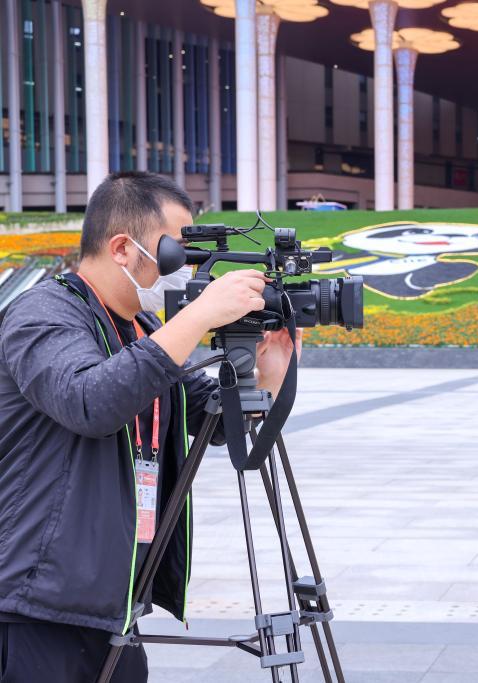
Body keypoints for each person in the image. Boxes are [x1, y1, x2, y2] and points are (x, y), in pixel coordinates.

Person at [0, 172, 297, 682]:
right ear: (122, 248)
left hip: (114, 599)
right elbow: (90, 402)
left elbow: (209, 418)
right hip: (38, 602)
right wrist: (198, 316)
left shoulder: (143, 327)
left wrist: (267, 372)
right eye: (176, 253)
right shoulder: (43, 314)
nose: (186, 270)